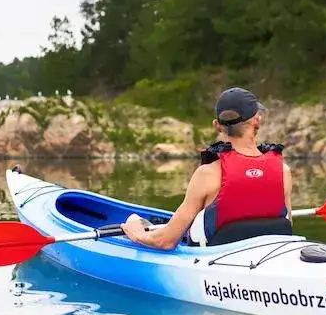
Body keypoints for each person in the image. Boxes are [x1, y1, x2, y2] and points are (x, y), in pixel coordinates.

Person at [121, 86, 292, 249]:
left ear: (217, 125)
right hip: (271, 258)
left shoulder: (207, 174)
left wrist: (137, 235)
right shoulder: (283, 172)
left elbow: (166, 241)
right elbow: (285, 227)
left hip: (218, 266)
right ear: (257, 121)